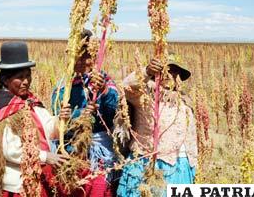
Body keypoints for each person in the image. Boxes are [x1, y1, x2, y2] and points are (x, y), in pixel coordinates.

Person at [0, 41, 72, 197]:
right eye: (20, 78)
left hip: (38, 178)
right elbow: (10, 150)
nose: (26, 81)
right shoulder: (3, 107)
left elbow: (48, 129)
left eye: (28, 76)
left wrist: (60, 120)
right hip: (17, 185)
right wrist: (45, 157)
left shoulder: (31, 101)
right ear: (6, 80)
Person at [117, 53, 198, 197]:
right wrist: (146, 71)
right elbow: (125, 86)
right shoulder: (144, 95)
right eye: (164, 70)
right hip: (145, 162)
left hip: (179, 166)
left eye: (173, 71)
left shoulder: (184, 100)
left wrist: (193, 165)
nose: (168, 74)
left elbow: (191, 138)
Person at [52, 29, 121, 196]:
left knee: (98, 190)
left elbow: (116, 113)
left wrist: (104, 90)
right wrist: (73, 117)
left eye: (87, 56)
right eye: (78, 56)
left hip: (99, 155)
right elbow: (56, 122)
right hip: (70, 153)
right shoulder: (63, 87)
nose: (82, 61)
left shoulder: (103, 82)